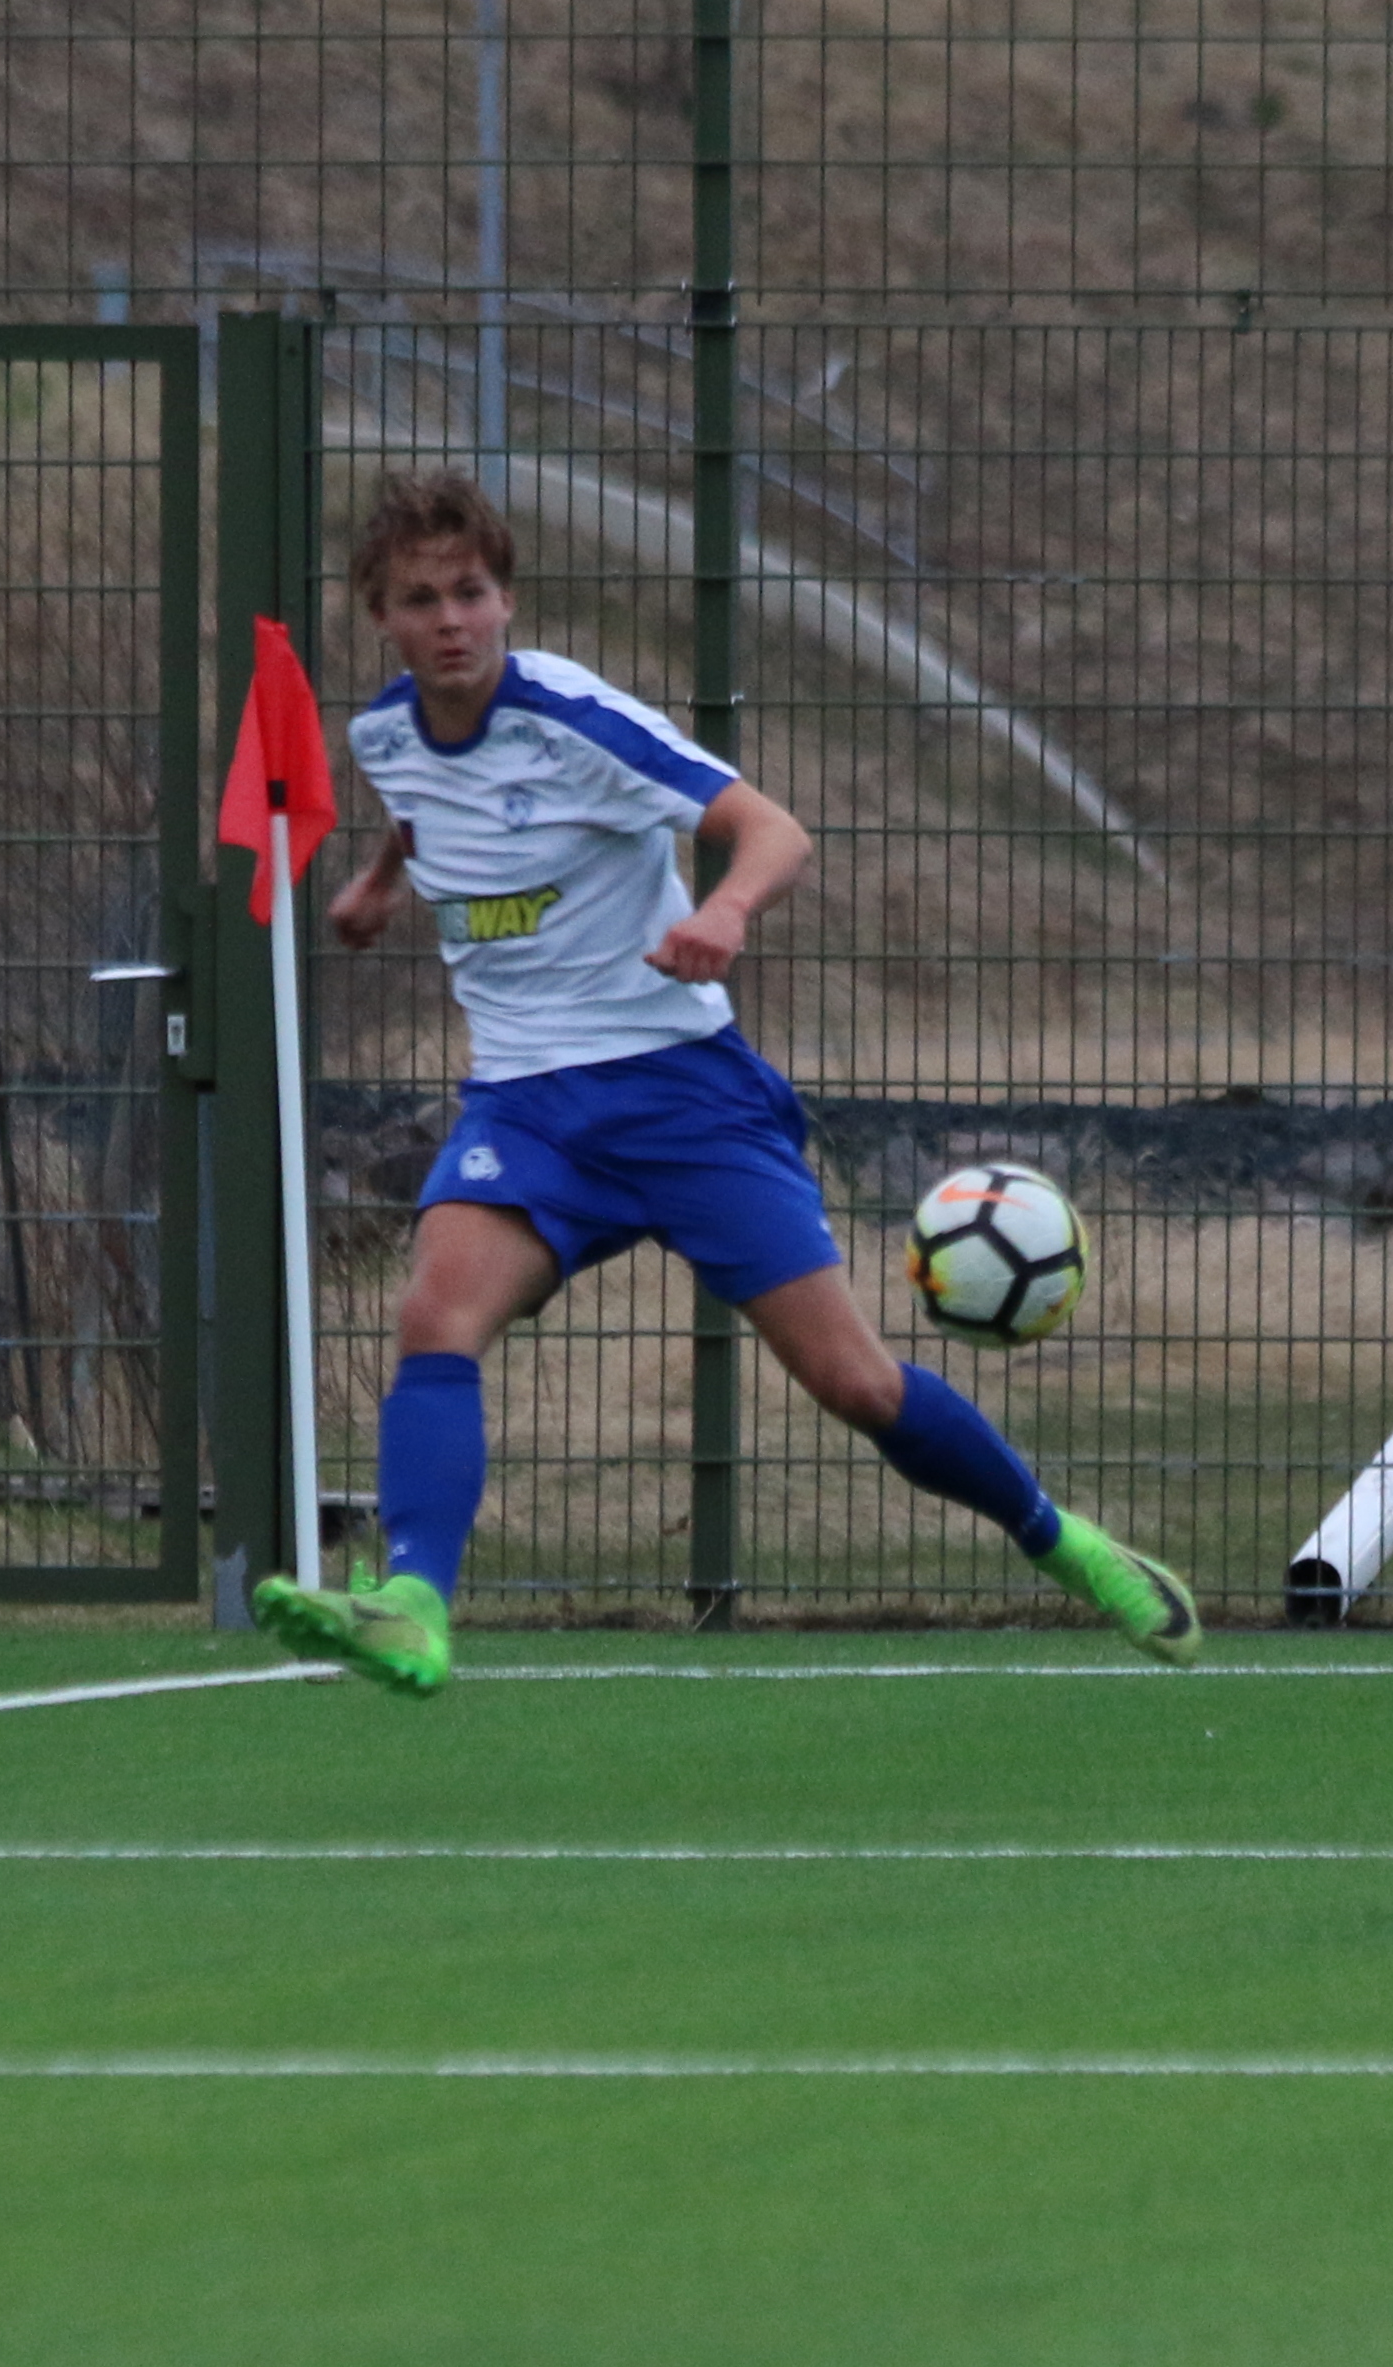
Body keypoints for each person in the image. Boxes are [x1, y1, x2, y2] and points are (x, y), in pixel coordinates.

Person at [248, 470, 1199, 1692]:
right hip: (529, 1108)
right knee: (436, 1316)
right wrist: (380, 884)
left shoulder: (576, 717)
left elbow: (773, 830)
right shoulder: (386, 733)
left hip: (681, 1095)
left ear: (507, 599)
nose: (451, 620)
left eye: (470, 592)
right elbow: (432, 806)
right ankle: (413, 1605)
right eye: (421, 599)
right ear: (379, 614)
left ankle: (1066, 1545)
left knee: (855, 1383)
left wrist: (725, 911)